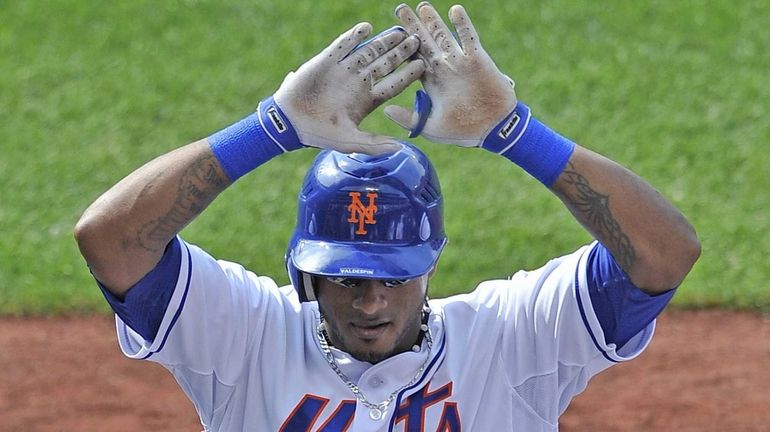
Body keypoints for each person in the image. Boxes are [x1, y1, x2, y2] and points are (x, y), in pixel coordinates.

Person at [74, 3, 700, 431]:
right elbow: (111, 240)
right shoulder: (248, 338)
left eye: (393, 278)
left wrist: (517, 135)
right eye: (347, 279)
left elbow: (664, 255)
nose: (372, 302)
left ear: (430, 266)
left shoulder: (512, 340)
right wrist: (268, 131)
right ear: (306, 274)